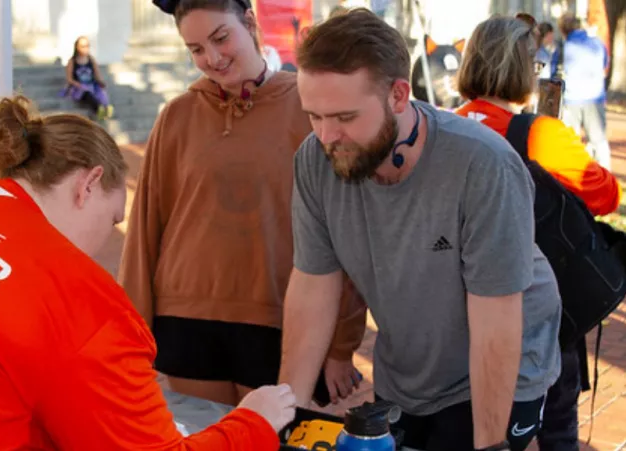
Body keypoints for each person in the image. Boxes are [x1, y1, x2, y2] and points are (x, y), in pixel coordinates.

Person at [0, 95, 297, 450]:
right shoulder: (74, 292)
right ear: (88, 184)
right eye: (112, 220)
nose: (104, 241)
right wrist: (254, 421)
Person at [278, 9, 562, 451]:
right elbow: (313, 286)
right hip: (408, 369)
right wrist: (286, 418)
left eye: (345, 117)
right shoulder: (314, 160)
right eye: (313, 115)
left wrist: (490, 445)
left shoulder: (482, 165)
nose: (326, 135)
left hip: (502, 365)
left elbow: (496, 316)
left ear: (397, 95)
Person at [120, 0, 367, 407]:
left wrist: (341, 345)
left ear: (249, 23)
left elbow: (346, 231)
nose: (212, 59)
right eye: (196, 49)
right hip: (187, 320)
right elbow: (146, 229)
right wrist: (132, 336)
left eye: (221, 38)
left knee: (271, 441)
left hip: (281, 319)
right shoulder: (176, 116)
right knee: (203, 439)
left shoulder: (307, 109)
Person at [454, 15, 622, 451]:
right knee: (555, 427)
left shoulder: (444, 125)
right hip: (533, 313)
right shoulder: (541, 134)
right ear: (523, 67)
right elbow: (605, 195)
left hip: (456, 314)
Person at [551, 13, 611, 170]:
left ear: (563, 30)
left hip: (572, 99)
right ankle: (606, 176)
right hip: (594, 97)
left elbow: (553, 73)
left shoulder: (563, 48)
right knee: (599, 141)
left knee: (571, 141)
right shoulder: (597, 43)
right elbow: (605, 63)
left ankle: (572, 174)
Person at [60, 36, 114, 120]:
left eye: (87, 46)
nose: (85, 49)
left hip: (91, 85)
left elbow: (97, 75)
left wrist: (100, 82)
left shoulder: (91, 60)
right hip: (78, 88)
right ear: (77, 47)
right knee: (87, 94)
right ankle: (98, 109)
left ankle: (105, 109)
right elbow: (69, 79)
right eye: (83, 46)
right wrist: (79, 85)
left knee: (100, 93)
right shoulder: (72, 61)